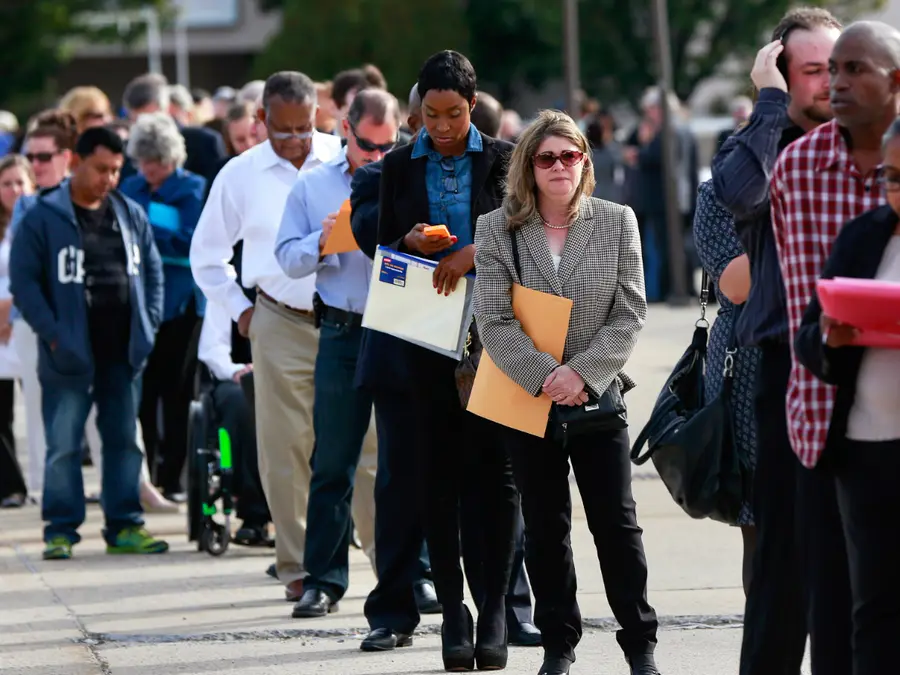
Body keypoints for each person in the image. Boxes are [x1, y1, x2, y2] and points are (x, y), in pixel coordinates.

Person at [473, 110, 659, 675]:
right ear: (530, 165)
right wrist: (544, 376)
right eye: (547, 157)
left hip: (597, 396)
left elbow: (630, 309)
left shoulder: (616, 220)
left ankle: (640, 643)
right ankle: (558, 645)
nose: (560, 166)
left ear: (585, 161)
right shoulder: (497, 228)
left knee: (617, 523)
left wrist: (581, 374)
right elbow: (494, 321)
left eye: (570, 155)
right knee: (545, 525)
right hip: (527, 399)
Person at [356, 51, 518, 673]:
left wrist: (477, 250)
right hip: (422, 337)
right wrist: (409, 242)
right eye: (431, 114)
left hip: (498, 337)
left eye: (454, 114)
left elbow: (529, 233)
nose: (443, 127)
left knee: (496, 480)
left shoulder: (505, 160)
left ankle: (496, 609)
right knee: (435, 477)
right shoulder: (398, 164)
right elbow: (379, 244)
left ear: (473, 108)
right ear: (416, 108)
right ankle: (454, 612)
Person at [710, 9, 845, 674]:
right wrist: (767, 102)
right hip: (782, 371)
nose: (829, 83)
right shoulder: (759, 143)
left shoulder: (879, 141)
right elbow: (743, 193)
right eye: (811, 70)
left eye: (838, 67)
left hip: (873, 370)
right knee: (781, 565)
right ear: (782, 74)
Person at [771, 20, 900, 674]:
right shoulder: (797, 166)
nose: (838, 83)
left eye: (856, 70)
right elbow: (801, 301)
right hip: (825, 421)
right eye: (831, 69)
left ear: (896, 82)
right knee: (837, 615)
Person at [190, 71, 348, 602]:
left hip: (345, 317)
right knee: (285, 447)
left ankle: (385, 557)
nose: (298, 141)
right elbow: (206, 257)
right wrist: (241, 313)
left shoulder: (343, 160)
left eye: (306, 128)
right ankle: (299, 566)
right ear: (260, 121)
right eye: (284, 131)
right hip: (277, 318)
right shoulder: (239, 175)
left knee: (364, 440)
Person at [9, 127, 166, 560]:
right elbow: (25, 284)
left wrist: (148, 326)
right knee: (63, 443)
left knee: (122, 439)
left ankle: (125, 525)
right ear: (75, 162)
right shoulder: (42, 216)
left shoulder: (130, 213)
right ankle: (60, 529)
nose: (109, 179)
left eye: (116, 170)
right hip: (68, 352)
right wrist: (56, 337)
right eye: (101, 169)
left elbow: (152, 275)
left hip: (123, 349)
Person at [275, 88, 397, 618]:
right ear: (346, 129)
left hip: (399, 329)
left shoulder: (407, 176)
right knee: (333, 461)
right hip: (344, 330)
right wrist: (322, 243)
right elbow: (286, 258)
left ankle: (411, 576)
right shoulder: (314, 184)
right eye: (369, 146)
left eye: (389, 145)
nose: (377, 157)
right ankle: (323, 580)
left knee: (402, 461)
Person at [794, 116, 900, 675]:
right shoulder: (863, 236)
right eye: (891, 177)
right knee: (873, 607)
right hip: (865, 452)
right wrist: (832, 338)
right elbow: (809, 339)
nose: (895, 190)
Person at [120, 111, 207, 501]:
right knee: (143, 392)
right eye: (142, 161)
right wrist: (158, 232)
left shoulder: (193, 188)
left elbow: (191, 242)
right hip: (138, 304)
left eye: (154, 161)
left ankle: (175, 478)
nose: (147, 169)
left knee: (176, 392)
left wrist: (147, 232)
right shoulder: (129, 186)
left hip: (181, 305)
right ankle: (146, 476)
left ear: (171, 158)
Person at [692, 180, 759, 594]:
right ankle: (771, 654)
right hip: (749, 363)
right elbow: (735, 285)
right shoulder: (721, 191)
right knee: (761, 523)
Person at [197, 297, 272, 545]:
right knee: (243, 401)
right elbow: (212, 348)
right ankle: (254, 512)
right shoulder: (227, 286)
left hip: (293, 371)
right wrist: (235, 370)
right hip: (237, 376)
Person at [0, 155, 34, 508]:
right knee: (1, 412)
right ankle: (11, 484)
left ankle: (41, 483)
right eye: (6, 183)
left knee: (39, 407)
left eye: (19, 183)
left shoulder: (35, 219)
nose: (13, 190)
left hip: (25, 317)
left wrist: (10, 309)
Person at [122, 74, 226, 184]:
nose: (146, 128)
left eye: (150, 118)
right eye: (137, 122)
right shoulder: (127, 153)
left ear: (166, 108)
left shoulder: (203, 143)